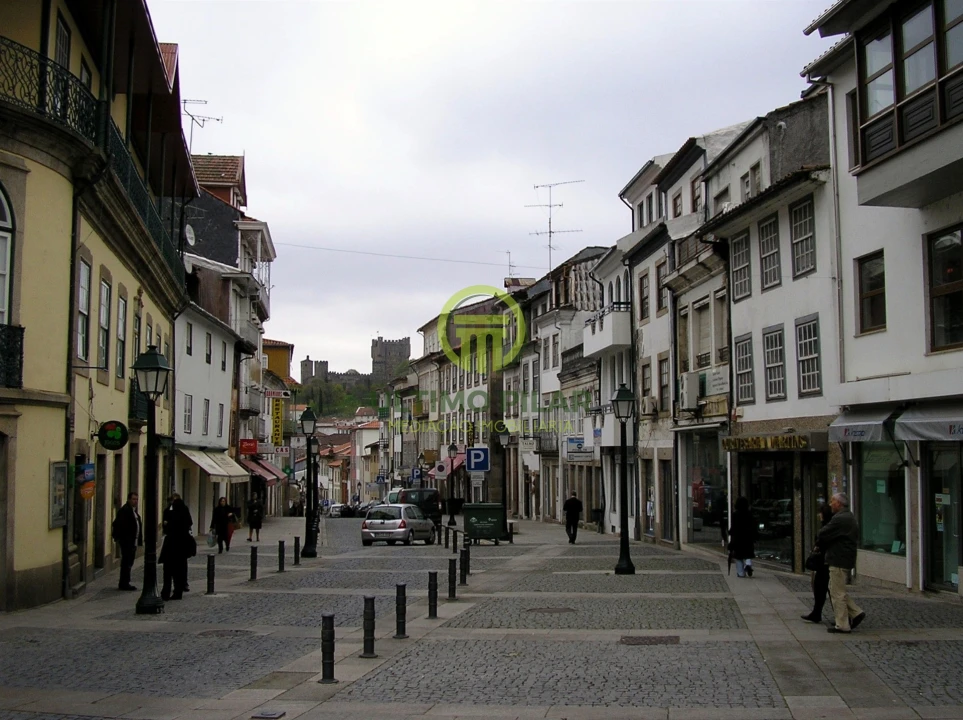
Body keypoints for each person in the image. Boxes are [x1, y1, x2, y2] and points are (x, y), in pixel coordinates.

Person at [817, 492, 866, 633]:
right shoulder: (847, 516)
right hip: (842, 557)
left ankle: (842, 624)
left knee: (837, 592)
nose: (830, 504)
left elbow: (822, 533)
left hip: (838, 558)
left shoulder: (840, 518)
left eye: (832, 501)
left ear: (839, 503)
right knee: (835, 589)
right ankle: (856, 612)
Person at [801, 502, 834, 623]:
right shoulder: (828, 525)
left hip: (825, 562)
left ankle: (843, 615)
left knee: (828, 590)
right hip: (823, 562)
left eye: (820, 513)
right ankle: (816, 613)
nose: (819, 515)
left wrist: (817, 546)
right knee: (821, 588)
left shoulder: (828, 527)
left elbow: (823, 541)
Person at [159, 494, 195, 600]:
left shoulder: (174, 513)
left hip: (172, 545)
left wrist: (168, 524)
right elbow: (189, 523)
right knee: (178, 571)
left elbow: (167, 528)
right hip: (181, 547)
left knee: (169, 571)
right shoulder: (182, 511)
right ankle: (177, 591)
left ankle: (167, 592)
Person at [112, 492, 142, 591]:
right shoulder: (125, 510)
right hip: (127, 542)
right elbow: (118, 524)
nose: (135, 501)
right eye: (133, 499)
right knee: (126, 562)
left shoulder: (133, 511)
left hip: (133, 541)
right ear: (129, 499)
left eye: (136, 499)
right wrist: (121, 538)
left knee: (129, 562)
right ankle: (124, 583)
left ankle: (125, 581)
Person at [728, 496, 756, 578]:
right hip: (748, 538)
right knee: (748, 554)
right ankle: (748, 564)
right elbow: (753, 526)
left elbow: (734, 527)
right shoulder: (749, 514)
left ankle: (741, 573)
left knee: (739, 557)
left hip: (738, 538)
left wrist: (730, 533)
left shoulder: (735, 514)